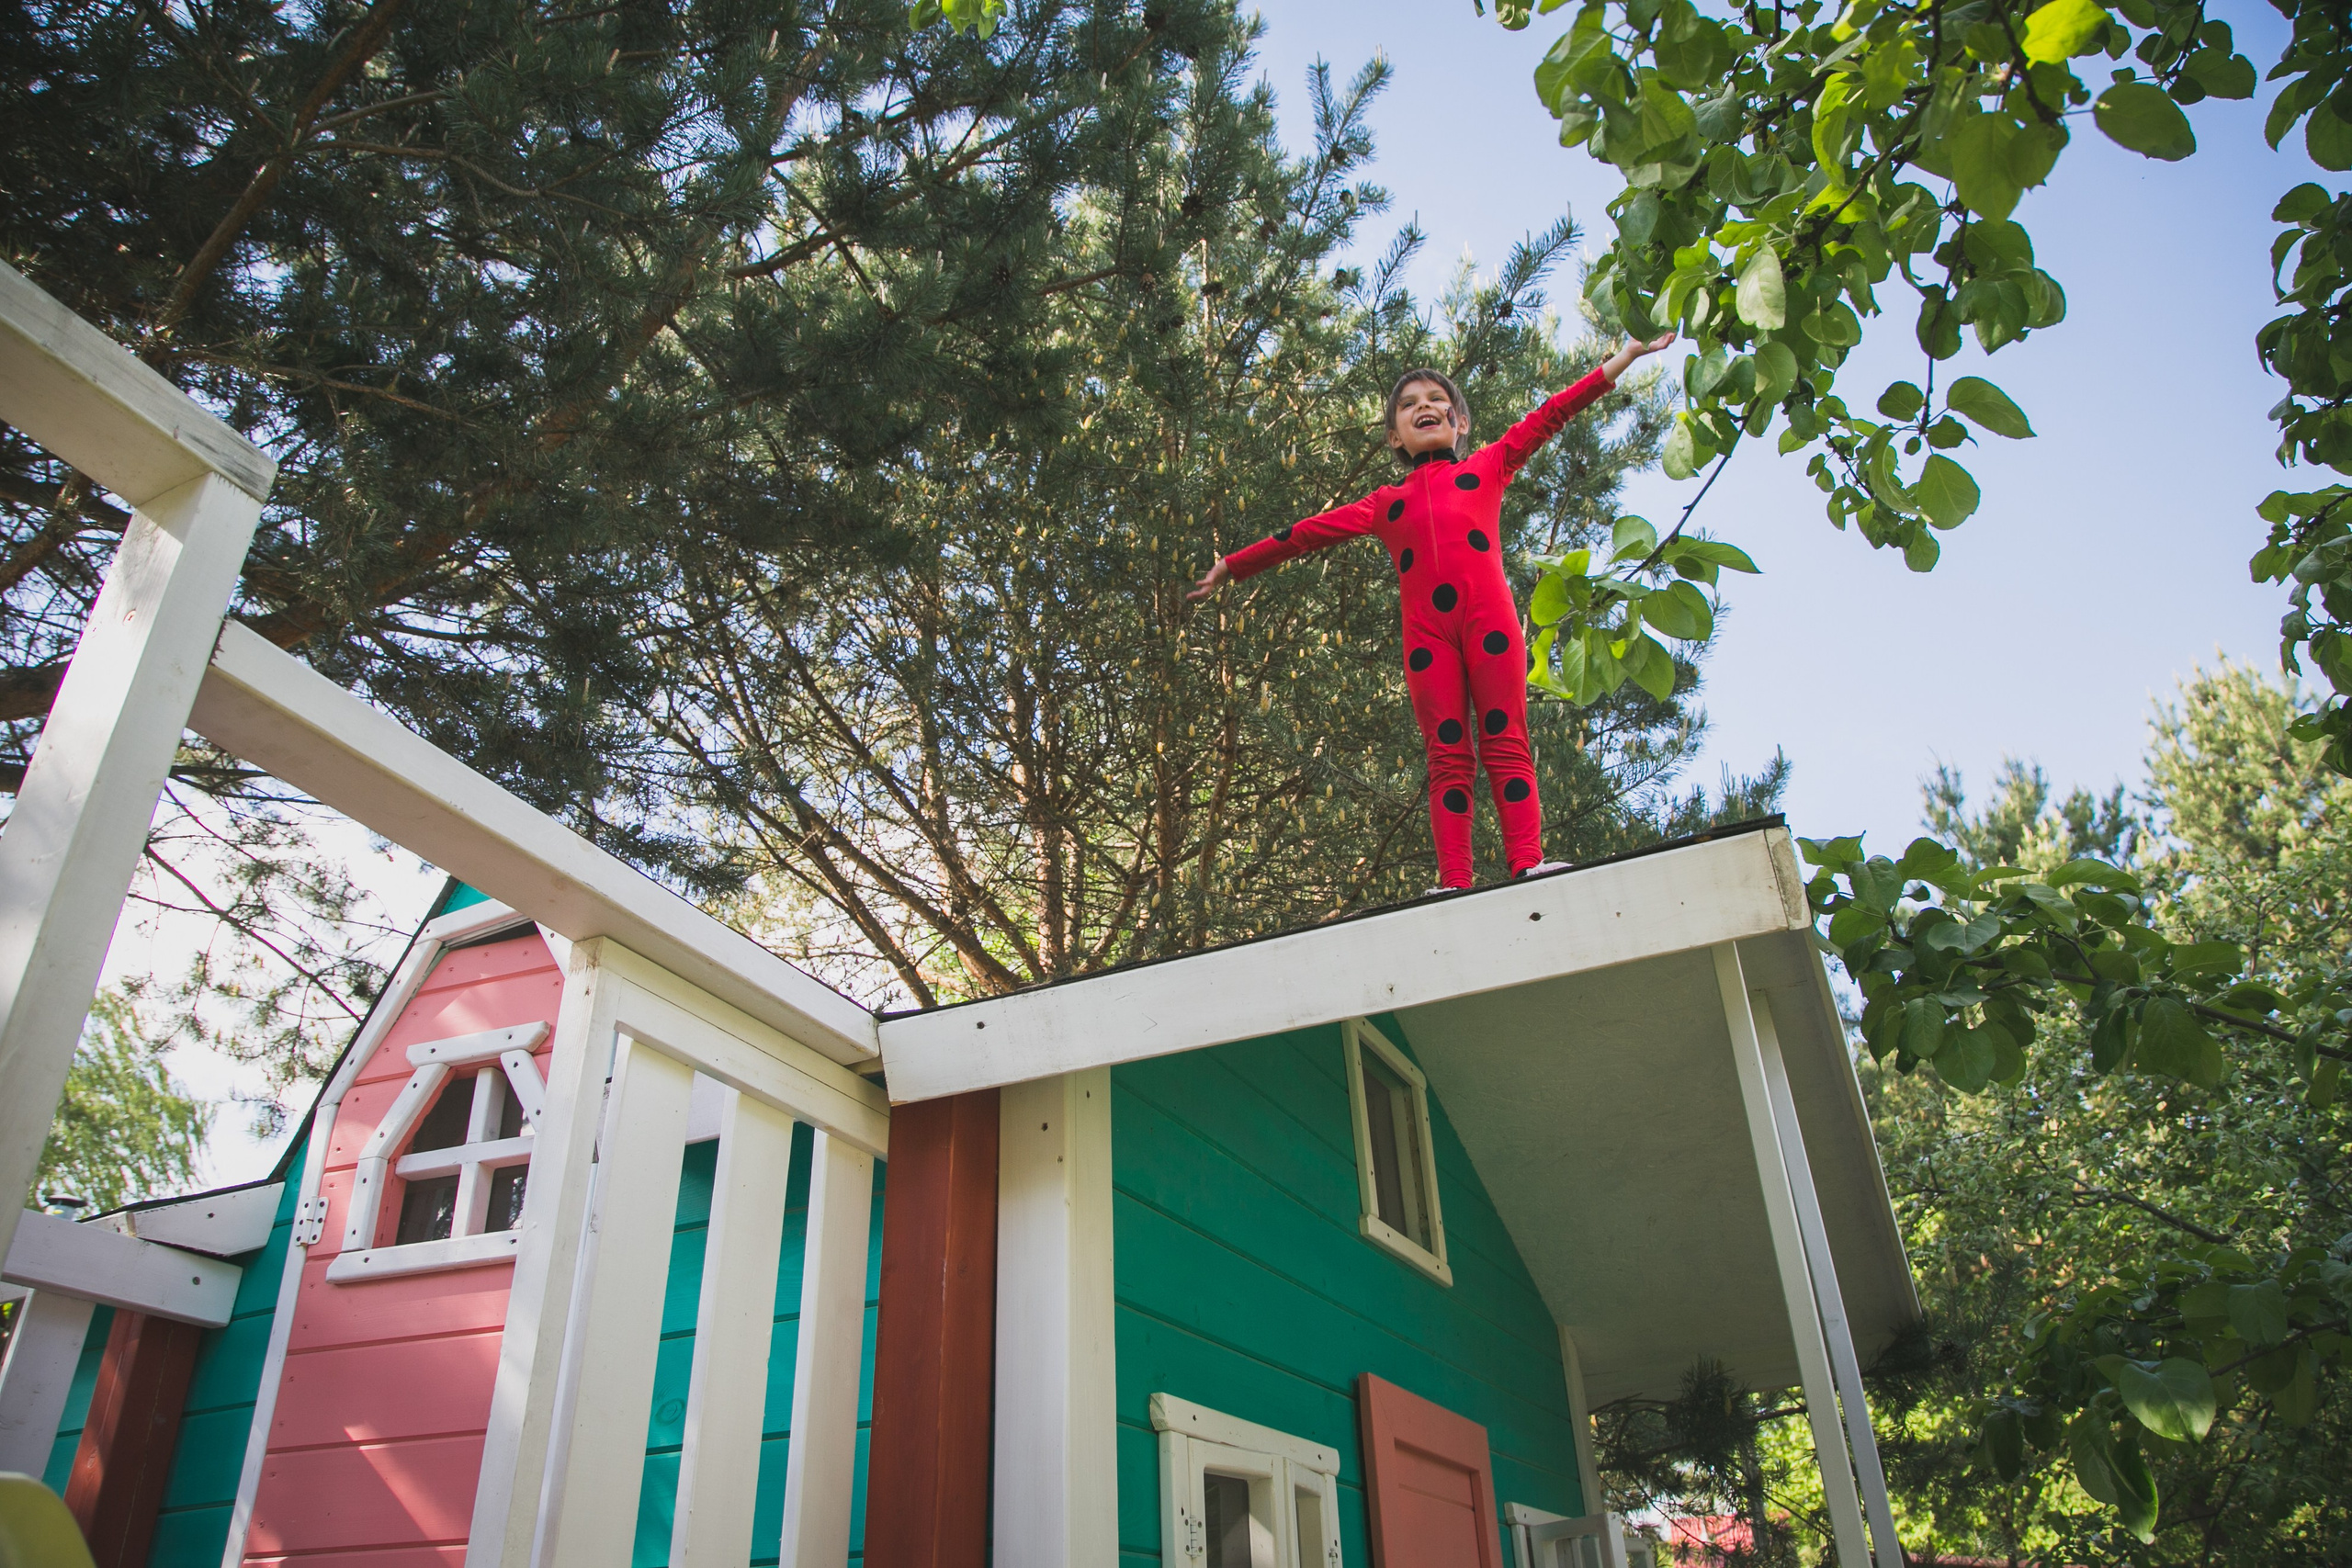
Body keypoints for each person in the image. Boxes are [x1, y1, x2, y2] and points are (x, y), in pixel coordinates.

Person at [1190, 333, 1677, 891]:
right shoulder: (1382, 504)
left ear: (1460, 423)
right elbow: (1301, 535)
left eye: (1435, 398)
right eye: (1408, 403)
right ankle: (1454, 882)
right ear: (1395, 436)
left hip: (1488, 623)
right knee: (1447, 754)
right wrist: (1231, 565)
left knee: (1505, 738)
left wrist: (1627, 356)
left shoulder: (1491, 466)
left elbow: (1552, 413)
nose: (1423, 404)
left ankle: (1527, 861)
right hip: (1428, 638)